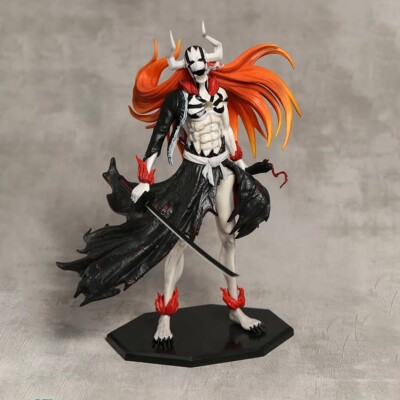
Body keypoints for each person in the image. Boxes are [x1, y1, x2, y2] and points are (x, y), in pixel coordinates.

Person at [57, 22, 301, 344]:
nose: (199, 69)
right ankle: (165, 317)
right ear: (187, 68)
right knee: (179, 242)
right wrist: (145, 180)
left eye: (203, 63)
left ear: (209, 64)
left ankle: (236, 309)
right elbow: (158, 137)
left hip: (222, 169)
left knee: (229, 238)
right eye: (193, 65)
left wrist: (242, 167)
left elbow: (227, 132)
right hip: (194, 173)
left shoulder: (220, 93)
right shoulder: (178, 99)